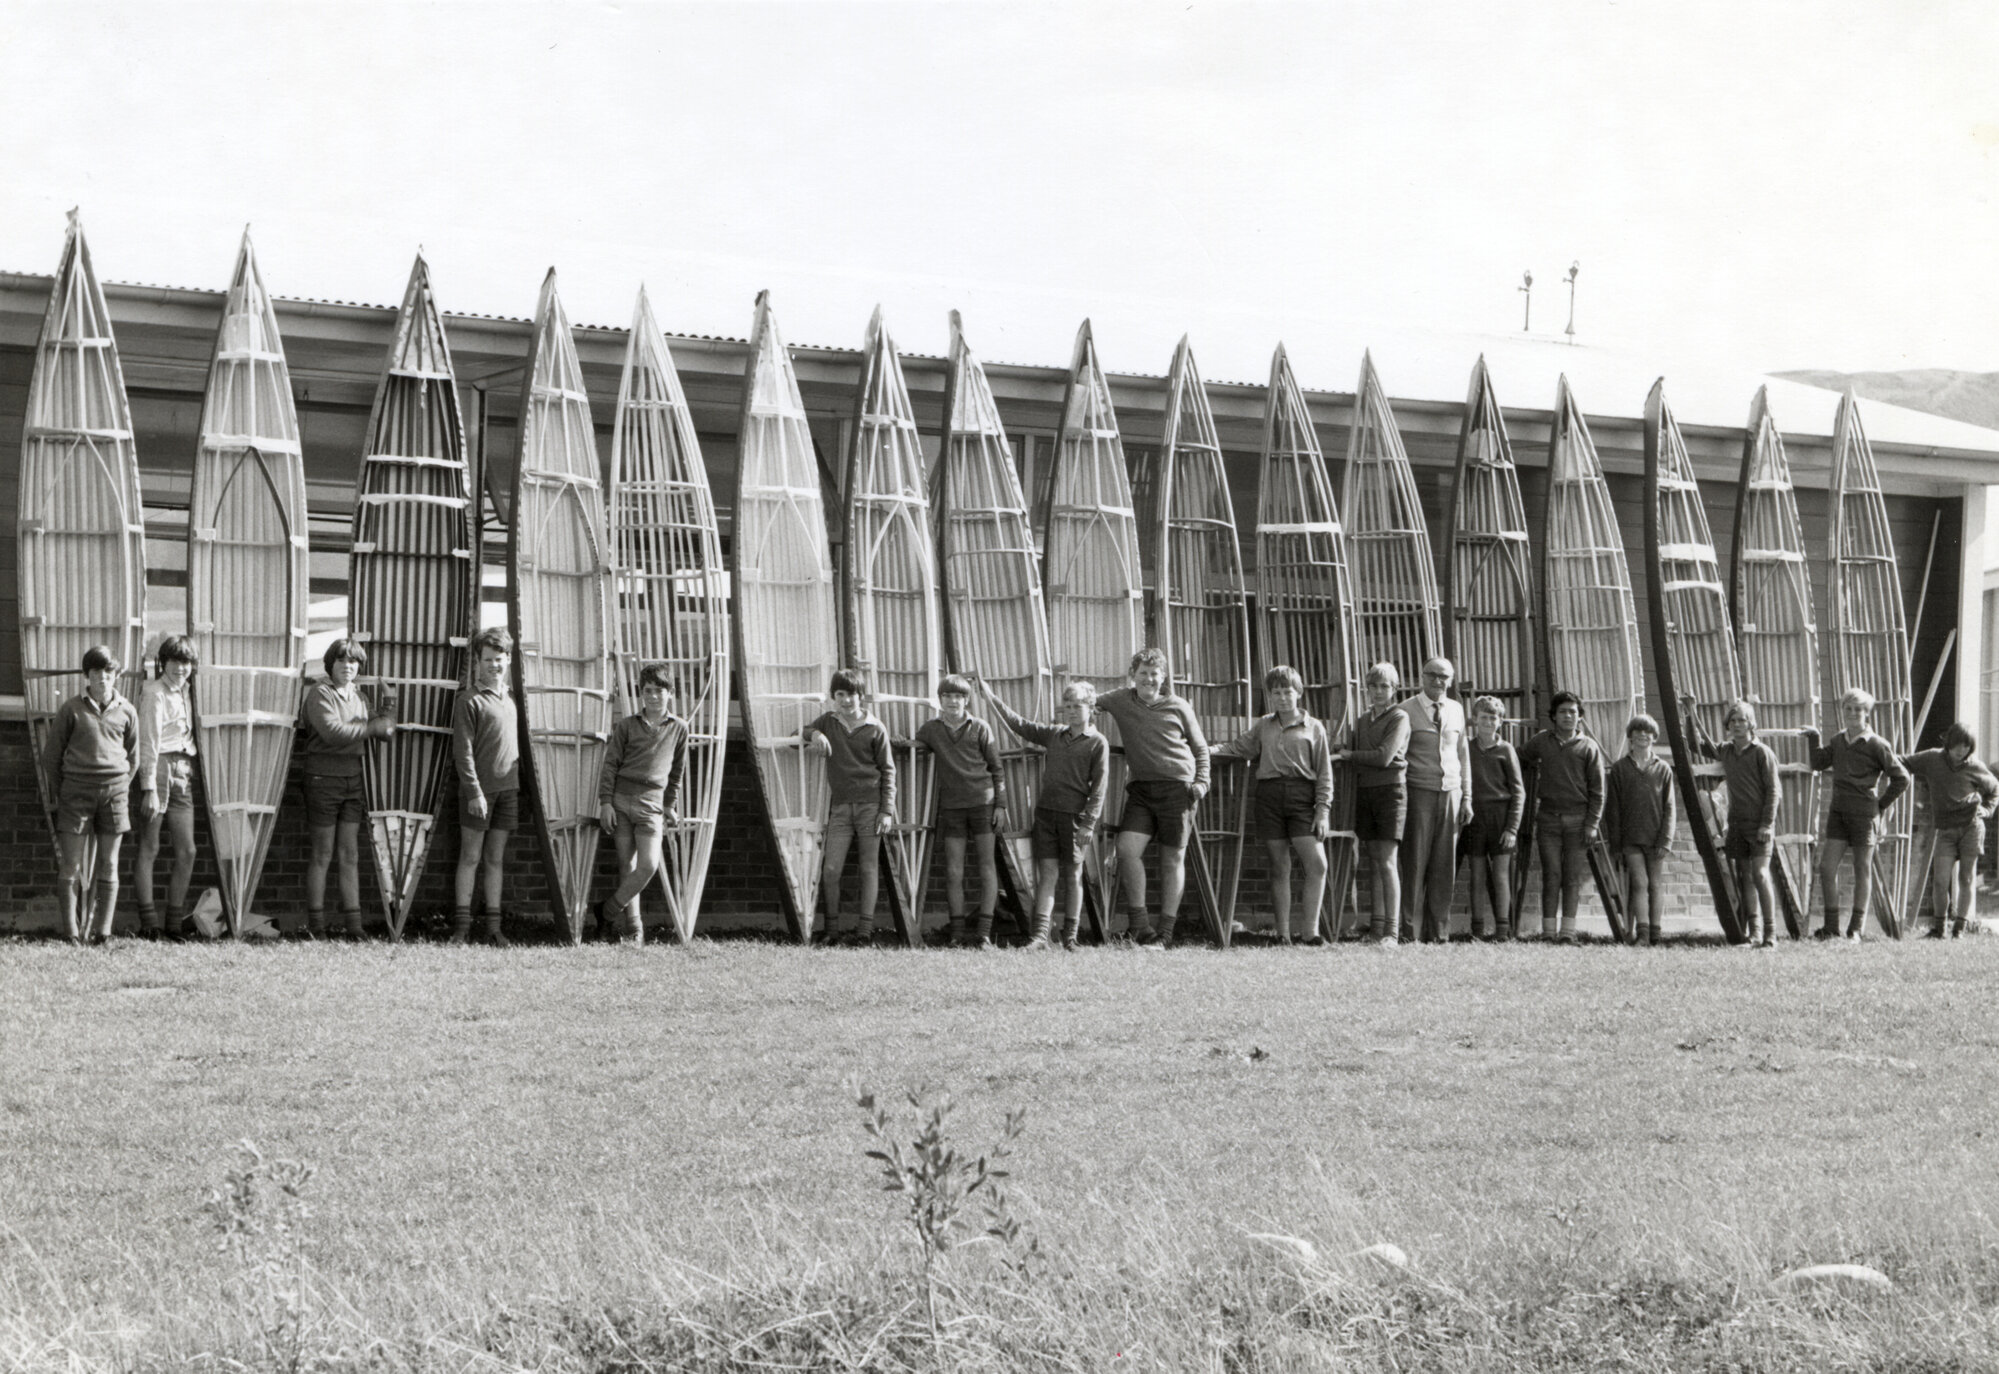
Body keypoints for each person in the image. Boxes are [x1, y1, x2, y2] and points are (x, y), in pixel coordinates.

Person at [977, 675, 1108, 950]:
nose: (1072, 711)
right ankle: (1039, 936)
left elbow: (1099, 788)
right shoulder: (1055, 734)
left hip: (1074, 819)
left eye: (1078, 705)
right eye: (1068, 705)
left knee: (1073, 875)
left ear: (1091, 707)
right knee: (1047, 874)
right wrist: (990, 696)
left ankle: (1071, 937)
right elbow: (1019, 724)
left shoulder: (1097, 743)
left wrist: (1088, 823)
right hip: (1046, 815)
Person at [1094, 648, 1209, 948]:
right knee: (1127, 849)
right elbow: (1087, 701)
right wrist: (1087, 710)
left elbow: (1200, 748)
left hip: (1178, 787)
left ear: (1164, 676)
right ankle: (1141, 927)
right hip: (1142, 790)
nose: (1149, 679)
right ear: (1133, 676)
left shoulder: (1178, 705)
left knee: (1172, 858)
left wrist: (1202, 782)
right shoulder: (1120, 700)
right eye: (1143, 673)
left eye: (1154, 673)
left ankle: (1166, 933)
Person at [1213, 665, 1332, 945]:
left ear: (1299, 693)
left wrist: (1322, 809)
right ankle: (1282, 935)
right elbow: (1238, 748)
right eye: (1275, 692)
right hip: (1269, 796)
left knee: (1317, 864)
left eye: (1287, 691)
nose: (1282, 697)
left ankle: (1310, 933)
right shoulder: (1264, 725)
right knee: (1280, 866)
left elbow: (1325, 773)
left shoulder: (1314, 728)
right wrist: (1205, 751)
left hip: (1302, 797)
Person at [300, 638, 397, 940]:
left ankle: (354, 927)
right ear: (330, 664)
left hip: (352, 780)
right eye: (341, 660)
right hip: (321, 779)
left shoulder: (359, 696)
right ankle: (316, 926)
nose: (348, 666)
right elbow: (334, 733)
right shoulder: (319, 693)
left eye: (353, 662)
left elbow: (387, 731)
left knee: (350, 853)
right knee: (323, 853)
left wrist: (389, 704)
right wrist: (374, 726)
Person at [44, 645, 138, 946]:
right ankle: (70, 932)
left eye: (108, 672)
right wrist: (68, 789)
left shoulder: (127, 711)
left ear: (116, 675)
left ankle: (103, 933)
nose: (103, 678)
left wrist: (118, 785)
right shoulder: (71, 709)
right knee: (70, 865)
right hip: (76, 794)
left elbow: (134, 758)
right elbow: (51, 758)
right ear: (87, 675)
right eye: (96, 672)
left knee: (110, 864)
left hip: (114, 795)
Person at [1804, 688, 1910, 941]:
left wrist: (1880, 806)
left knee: (1862, 867)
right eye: (1848, 708)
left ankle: (1855, 930)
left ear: (1867, 713)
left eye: (1858, 709)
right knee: (1827, 867)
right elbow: (1818, 763)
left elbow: (1901, 778)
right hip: (1838, 811)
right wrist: (1814, 738)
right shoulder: (1839, 740)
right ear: (1843, 711)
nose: (1852, 713)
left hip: (1864, 814)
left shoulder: (1877, 744)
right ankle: (1831, 928)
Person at [595, 663, 688, 946]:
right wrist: (606, 803)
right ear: (641, 693)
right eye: (648, 691)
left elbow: (676, 773)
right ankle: (633, 929)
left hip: (652, 805)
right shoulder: (626, 726)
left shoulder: (679, 728)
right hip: (622, 801)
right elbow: (610, 766)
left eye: (659, 691)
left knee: (648, 865)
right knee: (628, 864)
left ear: (670, 693)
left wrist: (670, 805)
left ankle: (606, 910)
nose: (653, 697)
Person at [805, 668, 896, 945]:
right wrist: (815, 735)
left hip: (871, 806)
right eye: (840, 694)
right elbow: (802, 730)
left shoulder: (875, 727)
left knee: (868, 867)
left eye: (852, 694)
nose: (846, 700)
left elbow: (888, 770)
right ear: (834, 697)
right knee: (831, 869)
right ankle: (831, 930)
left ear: (861, 696)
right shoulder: (830, 722)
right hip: (841, 808)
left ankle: (864, 932)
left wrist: (886, 810)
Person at [914, 675, 1007, 948]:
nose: (953, 701)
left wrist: (1000, 804)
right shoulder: (931, 729)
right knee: (954, 871)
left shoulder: (980, 727)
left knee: (986, 867)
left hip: (983, 804)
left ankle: (984, 934)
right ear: (940, 699)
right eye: (947, 696)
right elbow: (917, 746)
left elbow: (997, 769)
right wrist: (900, 743)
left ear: (967, 700)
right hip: (952, 807)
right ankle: (957, 933)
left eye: (959, 696)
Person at [1330, 662, 1410, 946]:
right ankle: (1376, 930)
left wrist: (1350, 755)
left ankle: (1392, 932)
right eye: (1374, 686)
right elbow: (1352, 750)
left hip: (1391, 792)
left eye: (1385, 686)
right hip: (1366, 791)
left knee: (1388, 862)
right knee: (1374, 861)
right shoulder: (1363, 720)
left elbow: (1384, 757)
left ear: (1395, 690)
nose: (1379, 691)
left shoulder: (1399, 717)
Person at [1689, 698, 1780, 946]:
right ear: (1728, 725)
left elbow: (1774, 791)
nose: (1738, 724)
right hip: (1736, 824)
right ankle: (1756, 932)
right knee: (1746, 878)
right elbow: (1695, 743)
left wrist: (1766, 824)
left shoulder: (1762, 753)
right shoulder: (1727, 751)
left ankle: (1771, 935)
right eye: (1733, 721)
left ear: (1751, 723)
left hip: (1759, 825)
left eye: (1742, 720)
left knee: (1761, 875)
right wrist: (1691, 713)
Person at [451, 627, 520, 947]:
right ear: (478, 661)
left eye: (500, 659)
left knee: (495, 859)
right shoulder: (469, 700)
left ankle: (494, 929)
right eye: (488, 659)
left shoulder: (512, 699)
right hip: (478, 793)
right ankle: (461, 929)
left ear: (508, 660)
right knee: (470, 857)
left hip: (508, 791)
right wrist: (475, 791)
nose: (494, 665)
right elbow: (462, 752)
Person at [1396, 658, 1472, 943]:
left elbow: (1463, 755)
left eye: (1444, 677)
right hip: (1419, 792)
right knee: (1414, 862)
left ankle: (1438, 932)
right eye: (1433, 675)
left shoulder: (1456, 710)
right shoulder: (1405, 710)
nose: (1438, 681)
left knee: (1444, 865)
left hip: (1451, 793)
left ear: (1451, 681)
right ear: (1421, 677)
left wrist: (1467, 797)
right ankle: (1410, 931)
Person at [1520, 692, 1606, 941]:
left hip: (1579, 822)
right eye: (1563, 712)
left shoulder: (1588, 747)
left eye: (1573, 711)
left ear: (1579, 716)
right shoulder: (1542, 742)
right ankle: (1548, 933)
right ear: (1554, 717)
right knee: (1551, 874)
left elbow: (1598, 791)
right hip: (1547, 819)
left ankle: (1568, 933)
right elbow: (1519, 757)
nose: (1568, 716)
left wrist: (1592, 824)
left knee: (1571, 878)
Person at [1901, 723, 1999, 938]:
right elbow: (1903, 762)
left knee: (1965, 878)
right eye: (1956, 745)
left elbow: (1994, 789)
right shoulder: (1932, 758)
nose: (1960, 750)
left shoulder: (1976, 766)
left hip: (1971, 828)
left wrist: (1988, 810)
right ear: (1948, 742)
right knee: (1940, 880)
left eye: (1966, 746)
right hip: (1945, 830)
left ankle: (1959, 929)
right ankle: (1939, 929)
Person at [134, 635, 199, 941]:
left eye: (185, 662)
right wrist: (148, 787)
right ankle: (149, 925)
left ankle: (174, 924)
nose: (180, 668)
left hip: (183, 769)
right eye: (174, 661)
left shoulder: (188, 692)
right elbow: (148, 742)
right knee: (151, 846)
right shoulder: (154, 692)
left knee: (187, 850)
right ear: (163, 663)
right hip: (159, 767)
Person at [1602, 714, 1675, 945]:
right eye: (1638, 731)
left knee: (1655, 884)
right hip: (1631, 838)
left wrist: (1666, 840)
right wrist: (1616, 844)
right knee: (1640, 882)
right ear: (1630, 737)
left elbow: (1670, 807)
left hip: (1656, 838)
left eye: (1647, 732)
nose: (1642, 735)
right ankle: (1642, 933)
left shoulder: (1663, 769)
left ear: (1654, 737)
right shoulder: (1620, 769)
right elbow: (1612, 809)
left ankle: (1656, 932)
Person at [1463, 696, 1524, 941]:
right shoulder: (1466, 748)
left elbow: (1518, 791)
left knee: (1500, 876)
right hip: (1475, 819)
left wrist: (1512, 828)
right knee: (1476, 875)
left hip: (1500, 819)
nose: (1488, 722)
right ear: (1475, 720)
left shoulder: (1506, 750)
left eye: (1493, 718)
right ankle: (1477, 929)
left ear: (1500, 722)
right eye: (1484, 717)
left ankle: (1502, 929)